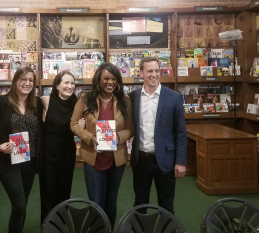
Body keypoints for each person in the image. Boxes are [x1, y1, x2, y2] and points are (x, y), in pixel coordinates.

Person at [0, 66, 43, 233]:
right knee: (19, 204)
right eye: (23, 79)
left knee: (23, 204)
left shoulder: (36, 103)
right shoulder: (1, 102)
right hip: (6, 162)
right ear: (15, 82)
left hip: (29, 160)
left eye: (31, 80)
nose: (27, 83)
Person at [71, 63, 135, 227]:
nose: (110, 82)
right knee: (96, 201)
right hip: (93, 159)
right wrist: (89, 137)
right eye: (106, 78)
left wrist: (118, 137)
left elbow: (130, 128)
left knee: (111, 200)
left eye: (114, 79)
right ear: (98, 79)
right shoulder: (86, 98)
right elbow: (73, 124)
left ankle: (108, 229)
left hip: (116, 159)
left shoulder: (124, 100)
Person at [128, 57, 187, 215]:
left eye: (156, 71)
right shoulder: (132, 97)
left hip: (166, 160)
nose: (154, 75)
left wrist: (180, 162)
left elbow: (181, 132)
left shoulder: (173, 97)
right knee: (140, 203)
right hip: (141, 160)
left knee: (166, 205)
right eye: (149, 71)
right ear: (141, 73)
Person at [39, 71, 85, 223]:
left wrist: (81, 126)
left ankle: (61, 224)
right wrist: (0, 97)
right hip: (48, 153)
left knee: (64, 190)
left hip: (67, 152)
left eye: (72, 83)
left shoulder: (78, 104)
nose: (70, 86)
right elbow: (22, 102)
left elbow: (83, 125)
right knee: (48, 192)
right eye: (66, 83)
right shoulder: (46, 100)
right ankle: (47, 225)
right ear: (57, 85)